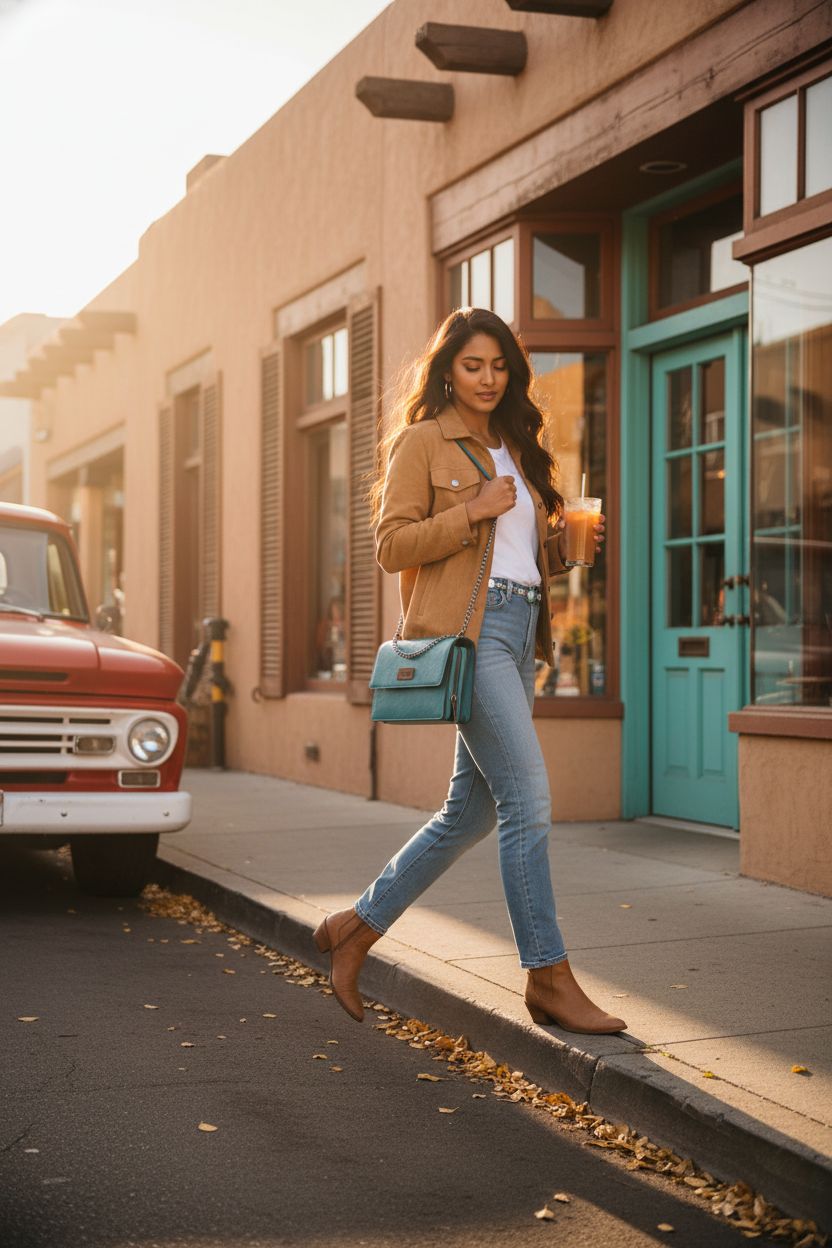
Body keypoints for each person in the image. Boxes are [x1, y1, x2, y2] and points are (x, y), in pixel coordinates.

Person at [314, 307, 626, 1035]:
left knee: (472, 811)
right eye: (471, 365)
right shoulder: (424, 442)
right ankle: (547, 975)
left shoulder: (517, 445)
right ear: (447, 370)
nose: (487, 378)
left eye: (498, 365)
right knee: (528, 801)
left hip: (520, 632)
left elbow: (518, 562)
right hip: (471, 635)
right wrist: (476, 509)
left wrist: (564, 550)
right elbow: (393, 546)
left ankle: (354, 931)